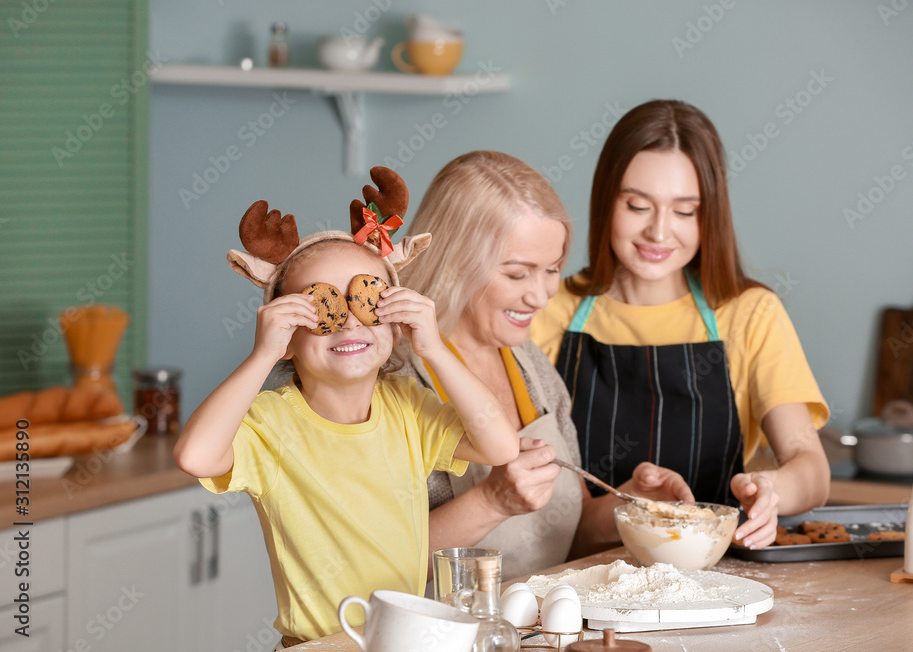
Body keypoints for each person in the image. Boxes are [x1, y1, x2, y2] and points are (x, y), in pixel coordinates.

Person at [173, 169, 519, 646]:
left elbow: (500, 445)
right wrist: (260, 356)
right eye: (319, 311)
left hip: (401, 640)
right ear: (287, 337)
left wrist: (435, 349)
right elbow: (194, 456)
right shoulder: (270, 424)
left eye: (371, 303)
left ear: (395, 322)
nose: (348, 324)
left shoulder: (408, 409)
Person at [531, 100, 831, 551]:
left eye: (685, 211)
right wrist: (629, 506)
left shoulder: (750, 313)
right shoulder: (545, 306)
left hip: (718, 584)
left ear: (710, 215)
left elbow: (811, 468)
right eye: (637, 205)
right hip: (580, 584)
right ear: (605, 201)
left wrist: (773, 490)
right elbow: (539, 508)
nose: (659, 231)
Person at [397, 150, 695, 579]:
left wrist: (632, 506)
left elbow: (563, 535)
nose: (540, 296)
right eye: (518, 274)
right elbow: (371, 564)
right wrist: (490, 502)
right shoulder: (391, 376)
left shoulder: (530, 366)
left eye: (552, 269)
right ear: (453, 262)